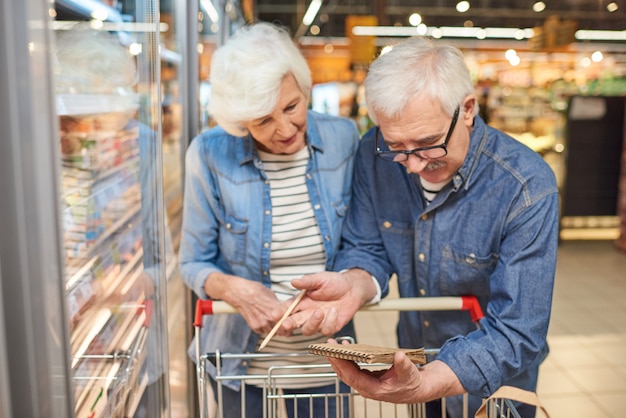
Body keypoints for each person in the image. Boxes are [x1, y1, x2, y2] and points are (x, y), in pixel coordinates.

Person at [281, 36, 559, 417]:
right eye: (396, 146)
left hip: (497, 389)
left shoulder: (525, 186)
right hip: (414, 366)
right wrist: (354, 282)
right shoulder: (372, 154)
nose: (411, 165)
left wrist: (429, 381)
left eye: (428, 143)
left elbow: (518, 331)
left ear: (467, 109)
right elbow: (369, 247)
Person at [178, 22, 360, 418]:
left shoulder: (344, 139)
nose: (284, 129)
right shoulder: (209, 154)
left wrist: (346, 286)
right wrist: (233, 289)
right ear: (240, 122)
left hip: (326, 359)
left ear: (304, 87)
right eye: (262, 121)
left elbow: (363, 244)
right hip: (239, 364)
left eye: (292, 107)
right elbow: (192, 262)